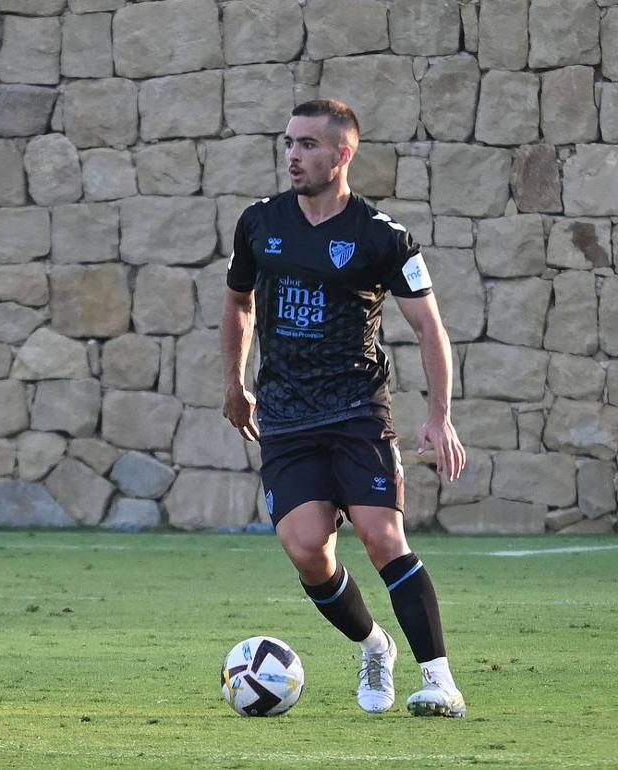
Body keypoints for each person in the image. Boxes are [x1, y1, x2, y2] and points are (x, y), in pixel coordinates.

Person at [220, 99, 467, 718]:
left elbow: (430, 330)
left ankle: (440, 681)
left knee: (382, 535)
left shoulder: (382, 237)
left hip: (357, 410)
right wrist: (234, 382)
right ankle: (374, 645)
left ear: (342, 154)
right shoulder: (258, 223)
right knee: (306, 548)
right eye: (288, 143)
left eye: (307, 145)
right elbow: (239, 303)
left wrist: (439, 417)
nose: (293, 156)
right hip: (285, 415)